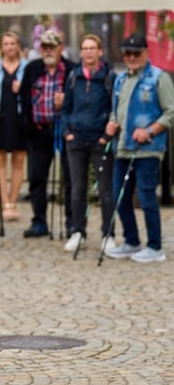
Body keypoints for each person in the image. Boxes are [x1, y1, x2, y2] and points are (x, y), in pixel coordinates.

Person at [104, 33, 174, 263]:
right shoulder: (121, 79)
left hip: (148, 148)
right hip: (122, 146)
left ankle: (155, 247)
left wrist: (150, 130)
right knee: (119, 196)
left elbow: (170, 113)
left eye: (136, 53)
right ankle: (131, 241)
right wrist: (113, 123)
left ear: (146, 53)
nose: (132, 57)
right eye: (128, 53)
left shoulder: (158, 78)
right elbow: (117, 108)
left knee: (146, 197)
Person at [61, 34, 116, 254]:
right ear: (81, 52)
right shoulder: (74, 77)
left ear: (100, 51)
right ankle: (78, 231)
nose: (89, 52)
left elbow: (115, 107)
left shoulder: (108, 77)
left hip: (100, 140)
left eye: (93, 48)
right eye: (85, 48)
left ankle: (108, 234)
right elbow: (65, 108)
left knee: (105, 190)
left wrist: (106, 136)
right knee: (77, 189)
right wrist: (67, 132)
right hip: (76, 140)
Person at [20, 29, 76, 238]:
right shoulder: (32, 69)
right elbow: (24, 99)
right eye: (45, 47)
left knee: (70, 178)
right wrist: (27, 126)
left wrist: (66, 101)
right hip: (39, 131)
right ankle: (39, 221)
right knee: (37, 178)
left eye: (53, 46)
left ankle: (72, 222)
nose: (49, 50)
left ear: (61, 48)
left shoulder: (72, 69)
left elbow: (80, 98)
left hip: (65, 130)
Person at [0, 32, 28, 221]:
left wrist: (22, 89)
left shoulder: (27, 67)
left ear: (18, 46)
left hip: (19, 117)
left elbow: (35, 92)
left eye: (13, 43)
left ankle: (13, 202)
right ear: (2, 46)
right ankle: (4, 201)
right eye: (6, 43)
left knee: (18, 161)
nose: (10, 47)